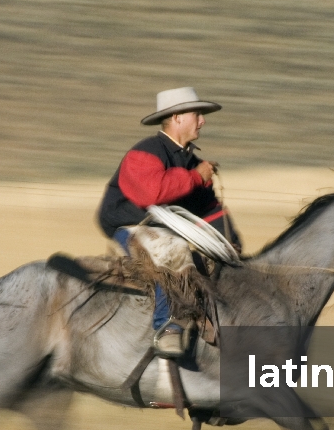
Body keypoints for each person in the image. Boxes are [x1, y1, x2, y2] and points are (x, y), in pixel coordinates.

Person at [97, 87, 240, 357]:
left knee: (211, 263)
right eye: (197, 114)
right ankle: (167, 328)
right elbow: (152, 193)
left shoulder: (192, 161)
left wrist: (230, 242)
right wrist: (197, 176)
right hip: (128, 224)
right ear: (176, 118)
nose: (202, 121)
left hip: (164, 229)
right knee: (172, 250)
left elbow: (208, 208)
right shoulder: (145, 152)